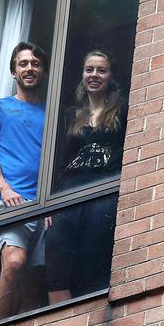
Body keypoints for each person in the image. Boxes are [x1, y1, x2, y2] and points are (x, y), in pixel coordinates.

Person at [45, 50, 127, 304]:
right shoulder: (71, 114)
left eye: (101, 70)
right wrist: (48, 202)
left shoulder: (122, 111)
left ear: (110, 76)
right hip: (70, 189)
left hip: (103, 188)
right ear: (82, 75)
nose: (94, 75)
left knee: (95, 249)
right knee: (56, 245)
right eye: (89, 69)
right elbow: (58, 160)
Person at [0, 42, 48, 319]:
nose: (30, 68)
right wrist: (5, 190)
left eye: (35, 63)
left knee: (34, 287)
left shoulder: (51, 112)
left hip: (45, 207)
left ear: (43, 71)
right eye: (23, 63)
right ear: (13, 72)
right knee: (15, 263)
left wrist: (52, 203)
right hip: (13, 203)